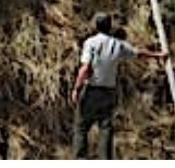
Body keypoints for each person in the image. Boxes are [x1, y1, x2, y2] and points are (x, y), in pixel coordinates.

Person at [71, 12, 167, 159]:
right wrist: (158, 55)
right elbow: (138, 53)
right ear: (110, 27)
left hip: (92, 90)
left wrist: (76, 89)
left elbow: (85, 69)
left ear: (96, 26)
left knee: (81, 127)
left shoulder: (90, 43)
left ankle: (80, 159)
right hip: (109, 92)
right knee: (106, 128)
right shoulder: (117, 44)